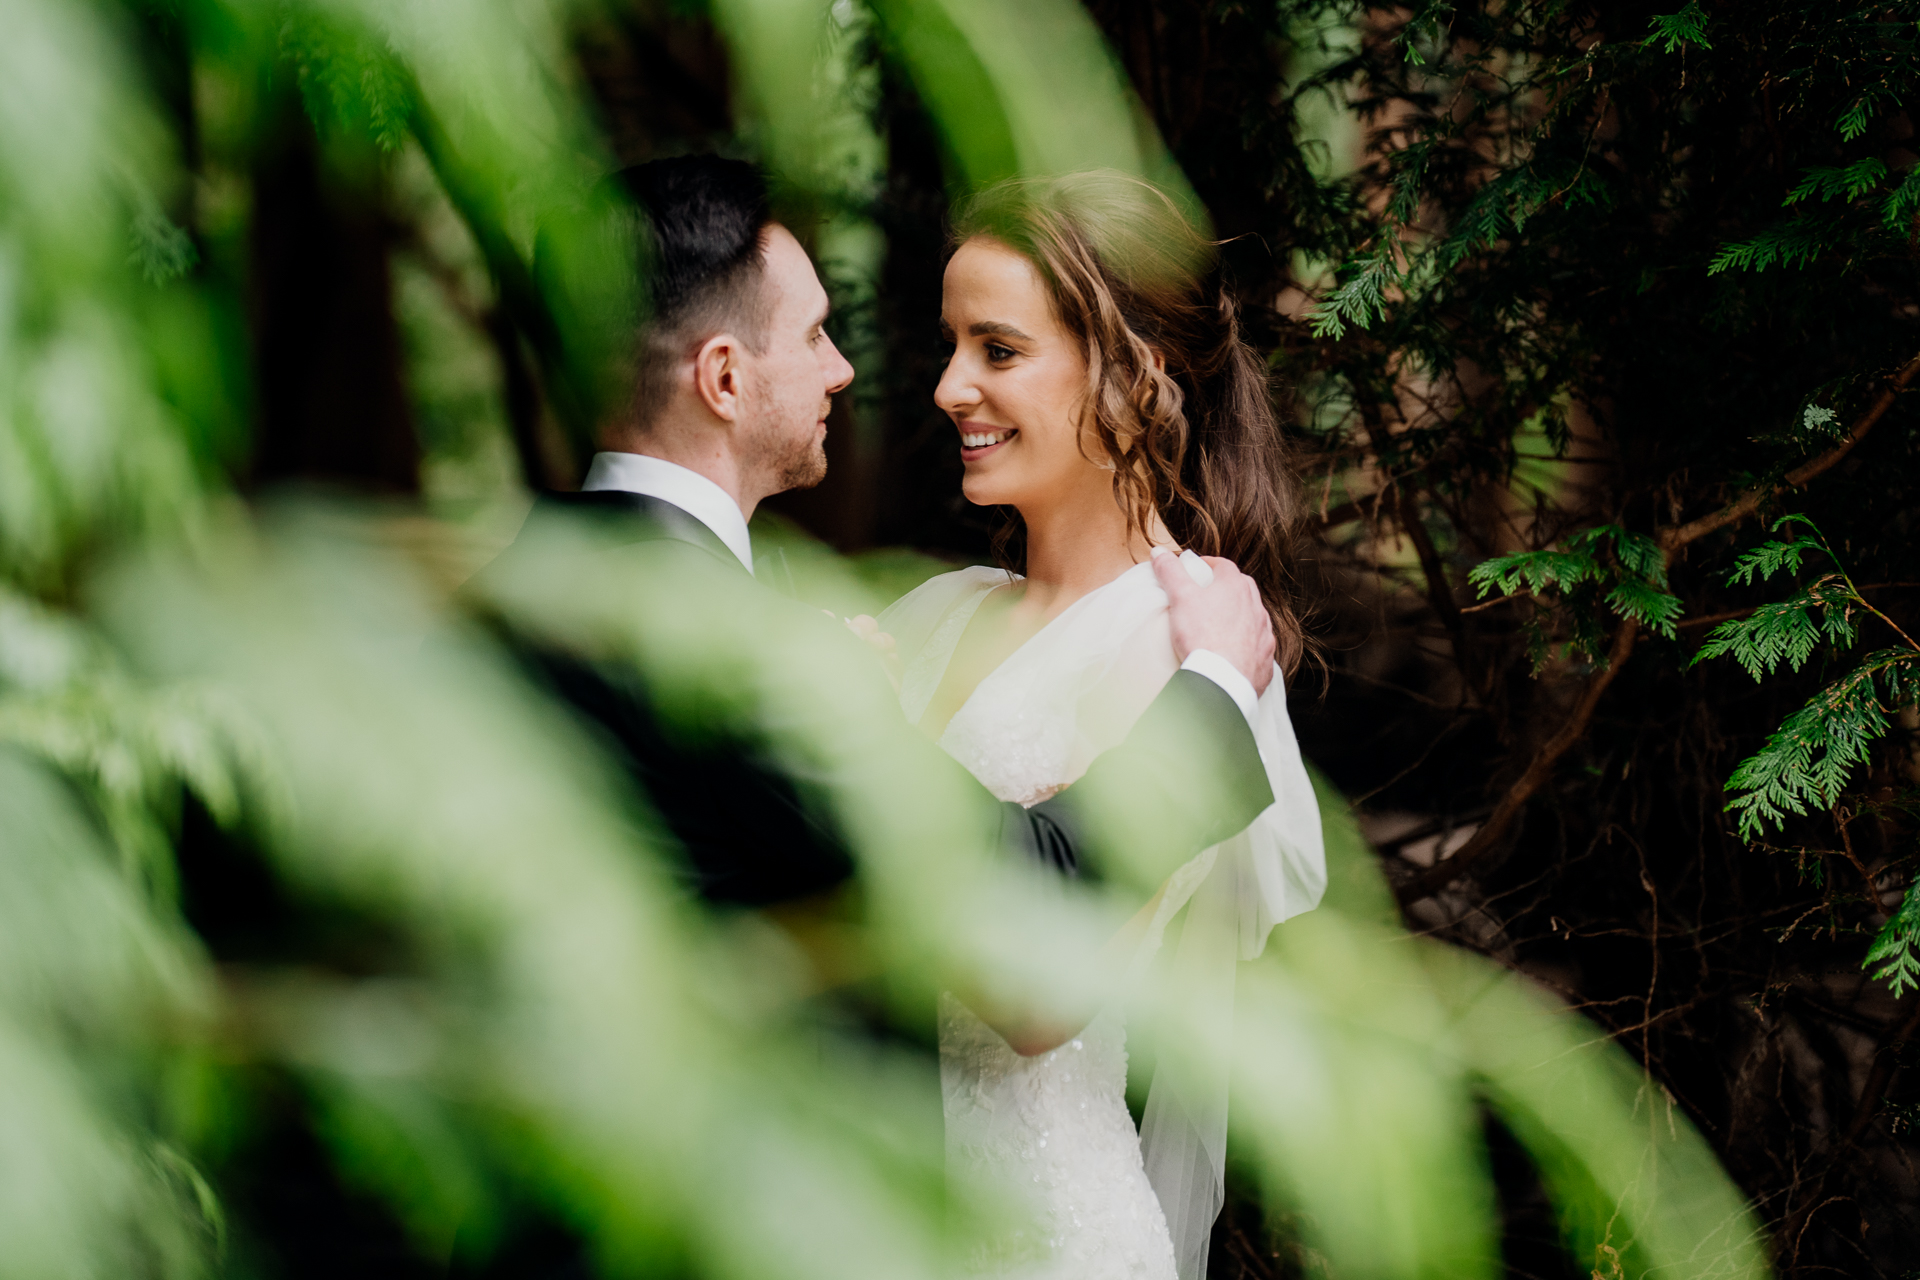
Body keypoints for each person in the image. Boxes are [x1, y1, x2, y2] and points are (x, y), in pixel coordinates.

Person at [470, 155, 1281, 954]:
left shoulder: (513, 586)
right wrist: (1212, 697)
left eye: (997, 349)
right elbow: (1027, 914)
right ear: (723, 378)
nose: (842, 369)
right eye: (816, 334)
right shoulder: (744, 653)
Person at [876, 170, 1326, 1280]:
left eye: (998, 349)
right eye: (950, 345)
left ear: (1132, 378)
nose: (947, 388)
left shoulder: (1181, 644)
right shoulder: (935, 621)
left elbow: (1043, 983)